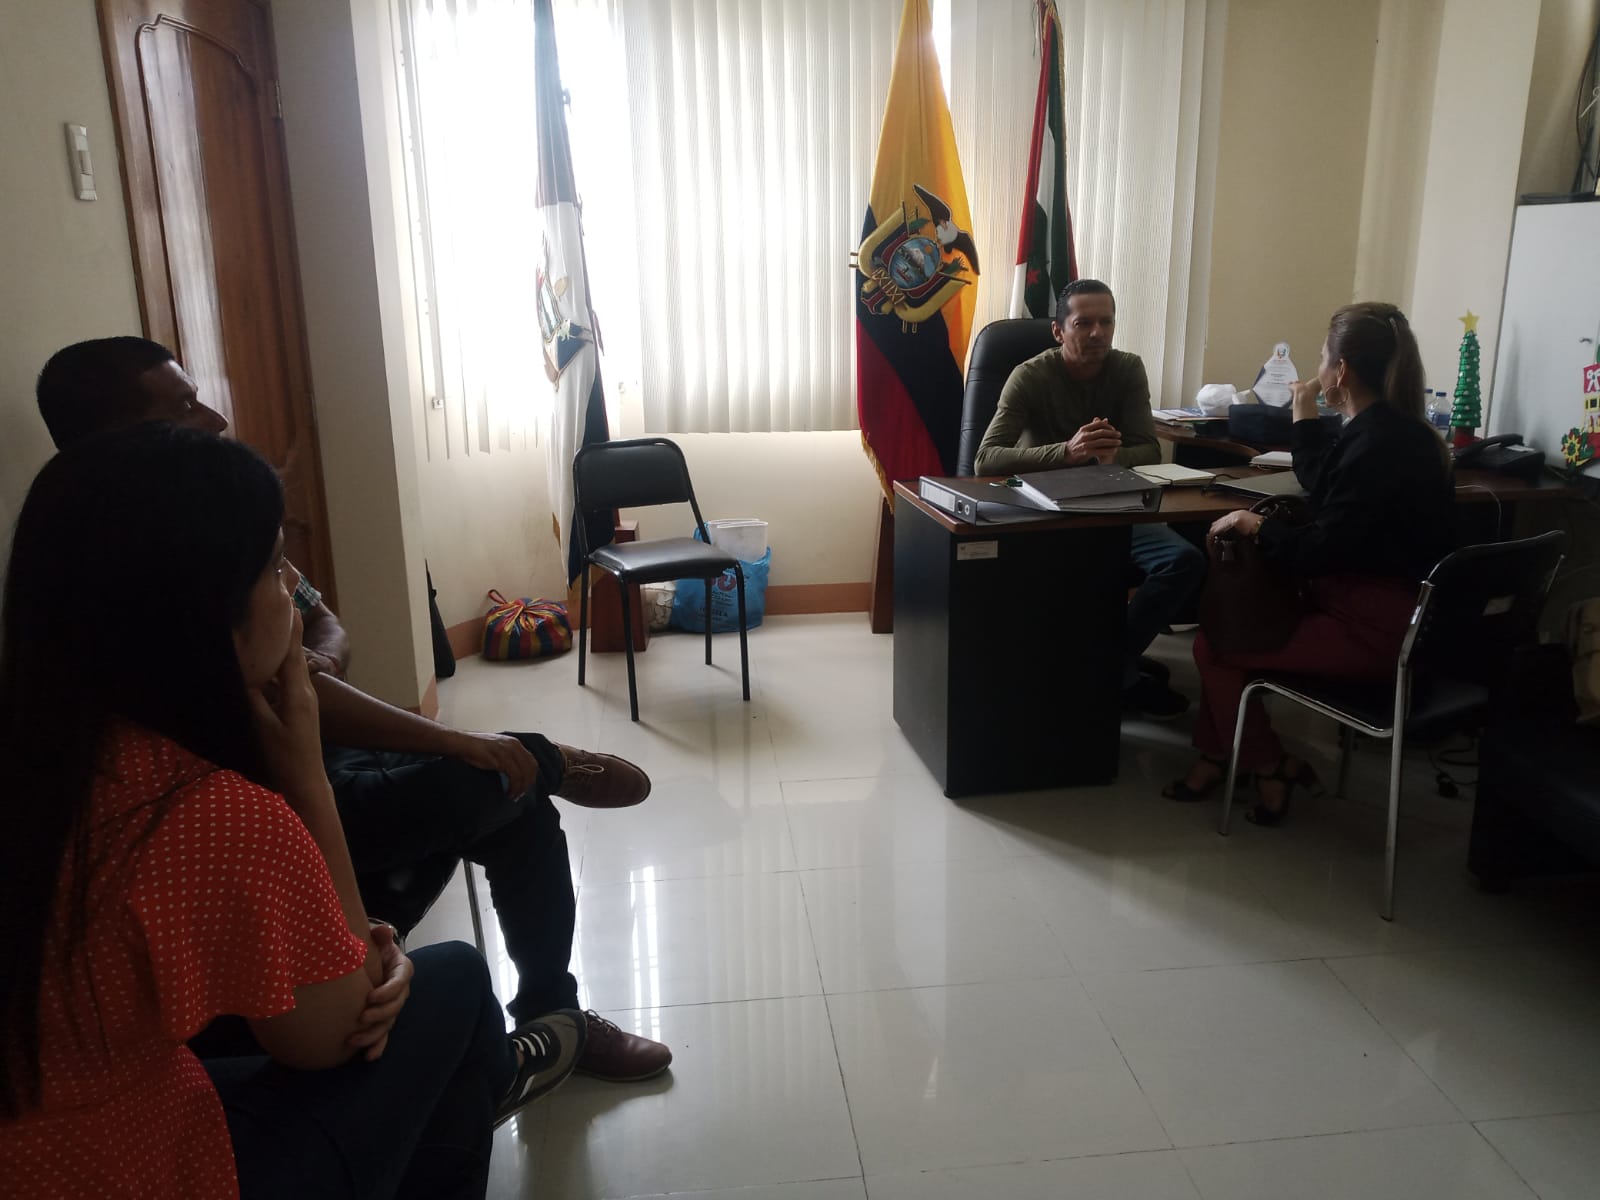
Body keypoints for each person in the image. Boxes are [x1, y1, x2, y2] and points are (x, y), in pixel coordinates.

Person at [34, 337, 671, 1081]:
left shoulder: (205, 523)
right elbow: (321, 1029)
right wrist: (448, 741)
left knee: (511, 791)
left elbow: (319, 623)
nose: (212, 419)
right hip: (288, 799)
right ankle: (544, 784)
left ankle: (550, 1015)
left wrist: (312, 665)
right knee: (503, 780)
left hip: (312, 758)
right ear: (114, 435)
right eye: (182, 406)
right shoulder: (141, 586)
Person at [0, 425, 583, 1199]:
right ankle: (496, 1062)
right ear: (201, 612)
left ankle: (479, 1069)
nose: (292, 595)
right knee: (454, 985)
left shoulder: (51, 757)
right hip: (127, 1166)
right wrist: (307, 781)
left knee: (476, 817)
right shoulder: (207, 812)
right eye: (275, 569)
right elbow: (336, 1036)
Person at [1165, 301, 1455, 824]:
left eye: (1323, 358)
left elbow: (1319, 551)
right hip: (1401, 616)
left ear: (1340, 371)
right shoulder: (1398, 433)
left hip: (1372, 628)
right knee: (1227, 625)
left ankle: (1270, 765)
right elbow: (1329, 484)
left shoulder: (1375, 444)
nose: (1319, 367)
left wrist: (1256, 524)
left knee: (1217, 645)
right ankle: (1216, 758)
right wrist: (1303, 411)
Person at [975, 279, 1206, 719]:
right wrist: (1067, 452)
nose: (1098, 333)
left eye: (1106, 322)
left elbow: (1149, 449)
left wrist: (1110, 456)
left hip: (1115, 503)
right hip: (1048, 511)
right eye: (1084, 323)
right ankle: (1116, 673)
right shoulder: (1030, 375)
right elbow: (986, 460)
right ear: (1059, 331)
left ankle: (1111, 663)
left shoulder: (1127, 369)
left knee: (1184, 561)